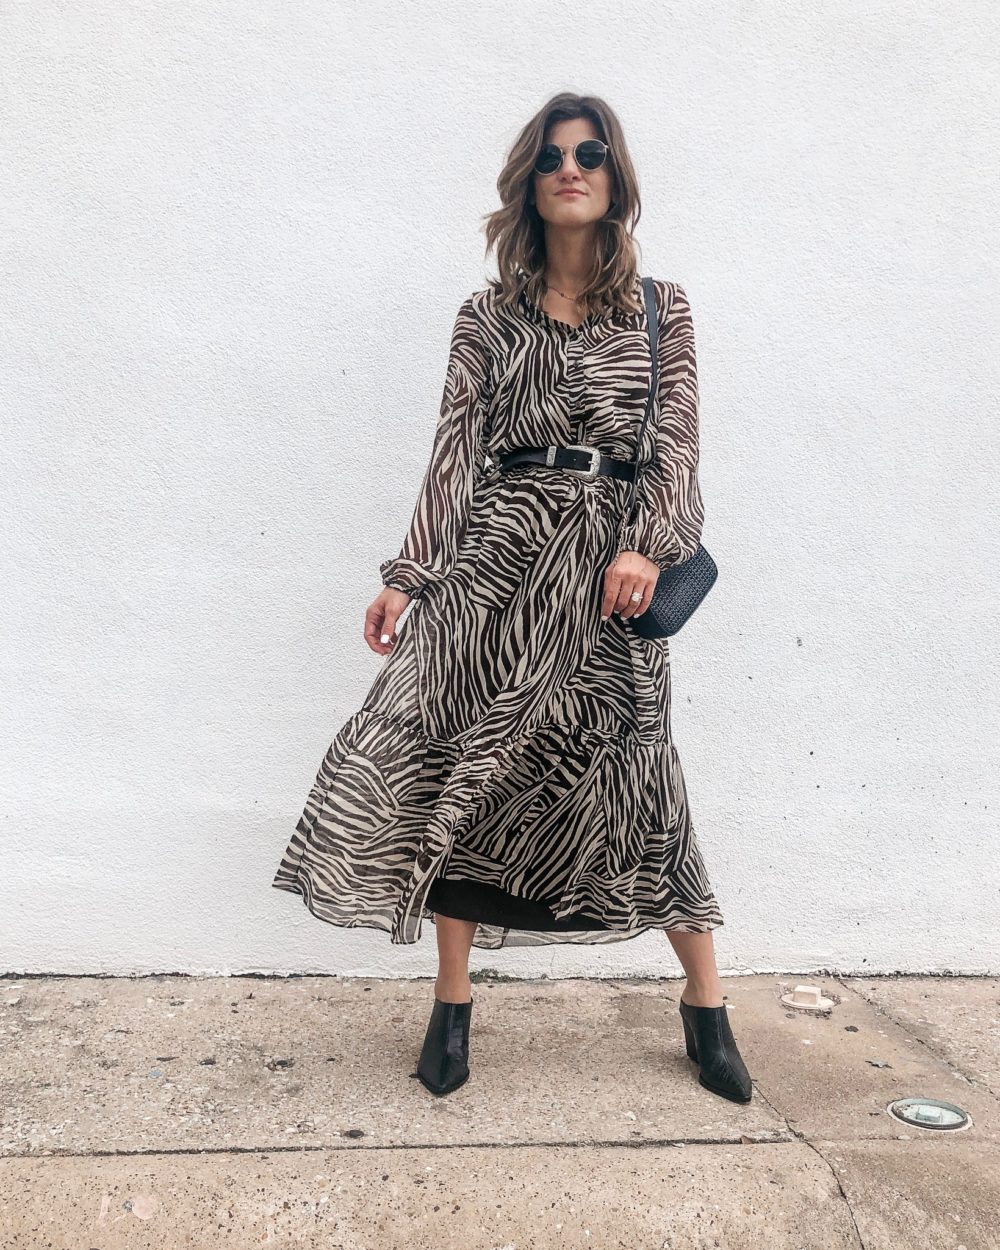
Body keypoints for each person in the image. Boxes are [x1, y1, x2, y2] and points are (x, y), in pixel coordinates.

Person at [272, 91, 752, 1104]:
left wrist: (646, 546)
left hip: (606, 578)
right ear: (527, 183)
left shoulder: (663, 309)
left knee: (641, 778)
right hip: (494, 562)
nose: (570, 167)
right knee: (462, 769)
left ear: (615, 177)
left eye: (590, 153)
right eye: (550, 157)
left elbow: (677, 447)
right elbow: (453, 452)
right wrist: (408, 574)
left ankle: (705, 1004)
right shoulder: (485, 315)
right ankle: (452, 1003)